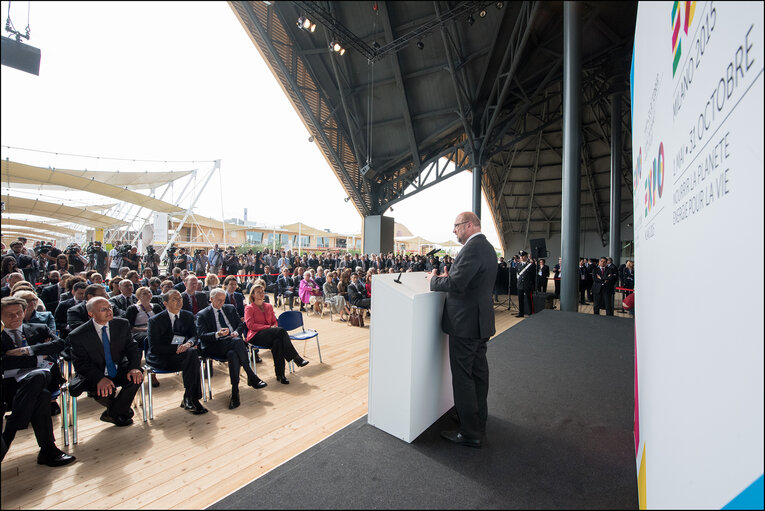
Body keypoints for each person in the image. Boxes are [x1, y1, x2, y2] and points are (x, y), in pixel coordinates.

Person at [426, 211, 496, 448]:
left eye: (456, 226)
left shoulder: (472, 248)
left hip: (465, 324)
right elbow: (469, 281)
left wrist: (433, 280)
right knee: (478, 374)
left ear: (468, 225)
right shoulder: (486, 247)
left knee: (463, 378)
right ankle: (476, 419)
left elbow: (455, 284)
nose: (453, 230)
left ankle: (469, 432)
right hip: (480, 322)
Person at [1, 297, 74, 466]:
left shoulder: (38, 329)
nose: (16, 317)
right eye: (9, 314)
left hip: (42, 377)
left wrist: (28, 350)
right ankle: (48, 450)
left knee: (39, 376)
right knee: (41, 395)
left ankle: (11, 429)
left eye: (19, 312)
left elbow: (59, 344)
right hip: (8, 388)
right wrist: (37, 357)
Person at [68, 297, 144, 427]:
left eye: (110, 307)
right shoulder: (78, 334)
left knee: (137, 375)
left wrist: (134, 368)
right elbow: (81, 364)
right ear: (91, 314)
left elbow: (132, 348)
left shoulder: (122, 324)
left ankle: (113, 413)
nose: (109, 311)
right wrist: (99, 378)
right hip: (95, 372)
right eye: (103, 309)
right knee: (99, 388)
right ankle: (120, 412)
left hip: (117, 367)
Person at [195, 288, 267, 409]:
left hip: (232, 342)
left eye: (223, 300)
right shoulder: (202, 314)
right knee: (237, 343)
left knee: (233, 353)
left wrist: (235, 332)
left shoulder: (229, 308)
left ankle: (235, 392)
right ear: (211, 299)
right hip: (215, 345)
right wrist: (218, 334)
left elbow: (240, 325)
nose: (221, 303)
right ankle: (251, 375)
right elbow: (202, 335)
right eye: (218, 300)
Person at [146, 290, 207, 414]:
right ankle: (192, 398)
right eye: (174, 299)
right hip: (162, 357)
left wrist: (188, 344)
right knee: (192, 357)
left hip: (183, 355)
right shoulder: (155, 321)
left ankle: (190, 398)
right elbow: (154, 347)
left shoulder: (187, 315)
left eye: (180, 298)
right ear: (165, 303)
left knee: (191, 354)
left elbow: (194, 336)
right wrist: (178, 348)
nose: (179, 301)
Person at [244, 283, 310, 385]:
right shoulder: (249, 308)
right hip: (256, 336)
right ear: (252, 295)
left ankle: (281, 375)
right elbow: (250, 325)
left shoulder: (268, 306)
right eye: (258, 292)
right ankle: (295, 358)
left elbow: (274, 321)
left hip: (271, 334)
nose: (262, 294)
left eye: (262, 291)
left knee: (278, 342)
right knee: (280, 331)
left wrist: (273, 326)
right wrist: (269, 327)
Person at [515, 251, 535, 318]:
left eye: (522, 256)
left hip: (527, 285)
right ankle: (521, 313)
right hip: (520, 285)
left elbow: (533, 276)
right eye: (520, 256)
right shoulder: (518, 265)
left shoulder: (530, 265)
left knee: (529, 299)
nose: (521, 257)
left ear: (526, 257)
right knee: (520, 300)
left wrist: (532, 284)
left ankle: (530, 313)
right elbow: (518, 274)